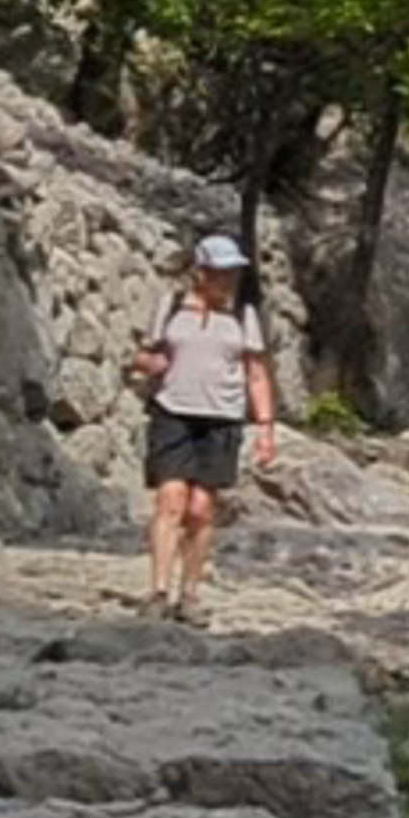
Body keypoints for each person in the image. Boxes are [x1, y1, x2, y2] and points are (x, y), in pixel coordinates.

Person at [131, 233, 278, 626]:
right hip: (172, 412)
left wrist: (265, 427)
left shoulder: (244, 315)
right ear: (200, 272)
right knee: (170, 501)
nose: (228, 280)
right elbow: (144, 354)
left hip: (222, 418)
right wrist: (149, 364)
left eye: (233, 272)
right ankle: (159, 591)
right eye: (220, 272)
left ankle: (190, 593)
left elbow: (256, 374)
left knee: (200, 510)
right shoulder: (171, 306)